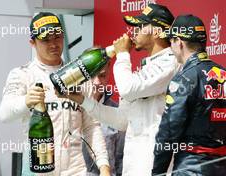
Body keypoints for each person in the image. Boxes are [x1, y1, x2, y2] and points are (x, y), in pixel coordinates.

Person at [59, 4, 180, 176]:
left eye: (140, 26)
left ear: (157, 32)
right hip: (136, 165)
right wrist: (82, 100)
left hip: (157, 165)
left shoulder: (170, 62)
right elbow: (122, 120)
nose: (134, 31)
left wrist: (122, 54)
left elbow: (127, 89)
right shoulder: (147, 67)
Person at [0, 12, 110, 176]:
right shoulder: (22, 74)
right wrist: (26, 101)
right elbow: (4, 114)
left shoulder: (80, 76)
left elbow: (91, 126)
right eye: (45, 39)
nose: (53, 44)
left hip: (75, 170)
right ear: (33, 42)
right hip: (37, 170)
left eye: (57, 37)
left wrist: (104, 166)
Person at [152, 14, 226, 176]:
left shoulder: (184, 79)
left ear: (179, 42)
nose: (171, 47)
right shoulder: (223, 74)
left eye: (171, 41)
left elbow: (169, 133)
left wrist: (158, 172)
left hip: (192, 168)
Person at [81, 62, 125, 176]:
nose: (97, 82)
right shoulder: (69, 108)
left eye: (102, 75)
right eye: (91, 75)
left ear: (109, 74)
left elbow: (120, 159)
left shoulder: (117, 112)